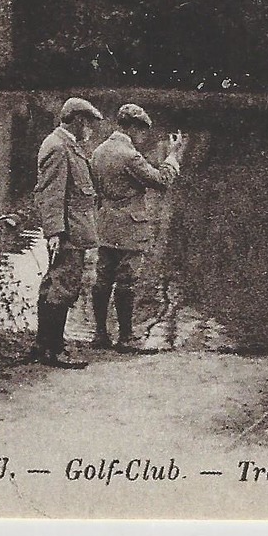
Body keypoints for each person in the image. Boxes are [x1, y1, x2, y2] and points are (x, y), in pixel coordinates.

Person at [90, 103, 187, 351]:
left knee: (102, 278)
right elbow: (161, 181)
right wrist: (173, 155)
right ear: (133, 128)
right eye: (143, 131)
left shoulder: (99, 151)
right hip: (131, 227)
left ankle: (100, 334)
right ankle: (125, 337)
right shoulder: (129, 155)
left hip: (105, 224)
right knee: (126, 281)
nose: (144, 137)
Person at [31, 97, 104, 368]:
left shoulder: (67, 145)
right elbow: (50, 194)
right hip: (68, 232)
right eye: (89, 124)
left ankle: (44, 345)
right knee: (62, 287)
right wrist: (55, 233)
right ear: (79, 121)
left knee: (56, 285)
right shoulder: (59, 147)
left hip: (71, 230)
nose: (91, 130)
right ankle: (54, 350)